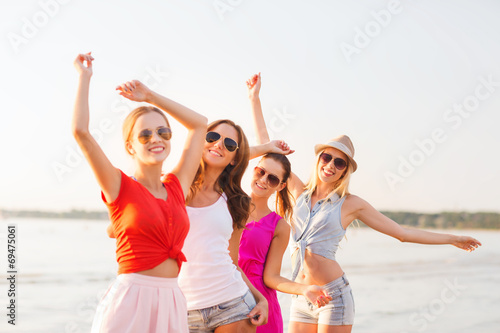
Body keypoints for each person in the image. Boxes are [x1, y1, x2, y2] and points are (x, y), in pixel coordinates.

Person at [246, 73, 482, 333]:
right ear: (319, 159)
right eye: (327, 157)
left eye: (339, 162)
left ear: (345, 171)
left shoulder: (350, 204)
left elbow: (402, 233)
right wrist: (254, 98)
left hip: (333, 297)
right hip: (302, 295)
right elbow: (269, 151)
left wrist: (451, 238)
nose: (331, 165)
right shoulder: (298, 191)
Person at [72, 52, 207, 333]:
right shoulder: (118, 186)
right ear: (130, 146)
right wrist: (84, 77)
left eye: (163, 132)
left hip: (171, 299)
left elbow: (199, 125)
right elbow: (81, 132)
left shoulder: (176, 186)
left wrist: (151, 98)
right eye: (145, 135)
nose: (156, 139)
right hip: (131, 300)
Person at [238, 75, 332, 333]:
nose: (263, 180)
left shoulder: (278, 226)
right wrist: (254, 99)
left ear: (281, 185)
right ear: (253, 169)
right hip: (222, 297)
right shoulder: (228, 203)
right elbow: (249, 153)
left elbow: (271, 277)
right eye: (260, 172)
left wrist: (305, 289)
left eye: (272, 178)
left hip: (260, 306)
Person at [177, 118, 280, 332]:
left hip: (233, 305)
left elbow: (233, 262)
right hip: (183, 308)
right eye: (212, 137)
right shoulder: (175, 187)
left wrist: (261, 299)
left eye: (230, 144)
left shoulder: (236, 201)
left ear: (234, 158)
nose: (219, 145)